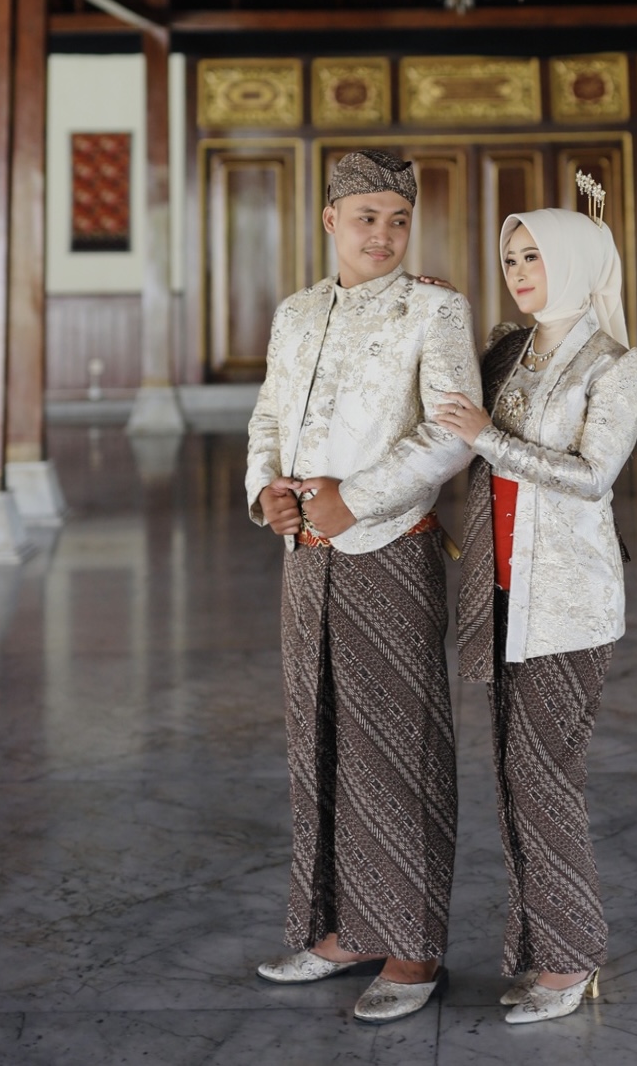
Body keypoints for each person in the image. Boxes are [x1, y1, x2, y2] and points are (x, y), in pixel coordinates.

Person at [246, 149, 481, 1024]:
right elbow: (268, 415)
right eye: (365, 218)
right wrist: (264, 493)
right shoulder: (297, 312)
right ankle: (345, 930)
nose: (381, 235)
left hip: (389, 549)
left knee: (397, 747)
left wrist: (358, 496)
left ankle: (413, 950)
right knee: (319, 740)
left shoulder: (435, 308)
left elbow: (451, 432)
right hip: (303, 554)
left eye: (397, 219)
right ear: (330, 221)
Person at [434, 204, 637, 1025]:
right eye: (511, 258)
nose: (520, 273)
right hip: (498, 592)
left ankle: (570, 958)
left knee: (542, 777)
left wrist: (488, 437)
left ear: (574, 261)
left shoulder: (622, 365)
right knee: (512, 777)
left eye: (535, 257)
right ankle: (544, 952)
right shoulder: (506, 348)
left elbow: (592, 475)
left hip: (566, 603)